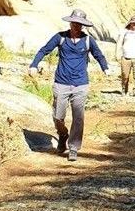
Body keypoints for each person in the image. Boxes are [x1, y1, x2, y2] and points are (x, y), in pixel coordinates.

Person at [28, 9, 111, 162]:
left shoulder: (88, 40)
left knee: (78, 117)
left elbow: (98, 54)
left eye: (79, 24)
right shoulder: (60, 37)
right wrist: (34, 64)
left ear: (83, 26)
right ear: (70, 22)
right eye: (74, 23)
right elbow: (44, 50)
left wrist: (105, 67)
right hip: (61, 82)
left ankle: (73, 147)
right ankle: (63, 134)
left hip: (81, 84)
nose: (76, 26)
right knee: (58, 116)